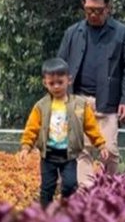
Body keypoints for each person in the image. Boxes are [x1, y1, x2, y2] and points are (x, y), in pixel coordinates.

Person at [57, 0, 125, 187]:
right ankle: (86, 192)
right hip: (79, 101)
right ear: (84, 7)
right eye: (89, 10)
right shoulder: (73, 33)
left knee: (109, 150)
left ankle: (109, 189)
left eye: (98, 11)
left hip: (108, 102)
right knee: (81, 150)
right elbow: (60, 64)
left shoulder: (121, 33)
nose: (93, 15)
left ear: (108, 8)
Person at [19, 57, 109, 208]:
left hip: (69, 155)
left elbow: (91, 127)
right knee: (47, 188)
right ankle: (45, 216)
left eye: (60, 82)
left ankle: (67, 211)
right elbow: (32, 128)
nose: (56, 86)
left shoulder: (79, 105)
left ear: (69, 80)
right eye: (51, 83)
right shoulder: (41, 106)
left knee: (70, 185)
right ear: (45, 83)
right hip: (48, 155)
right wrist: (25, 147)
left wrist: (101, 145)